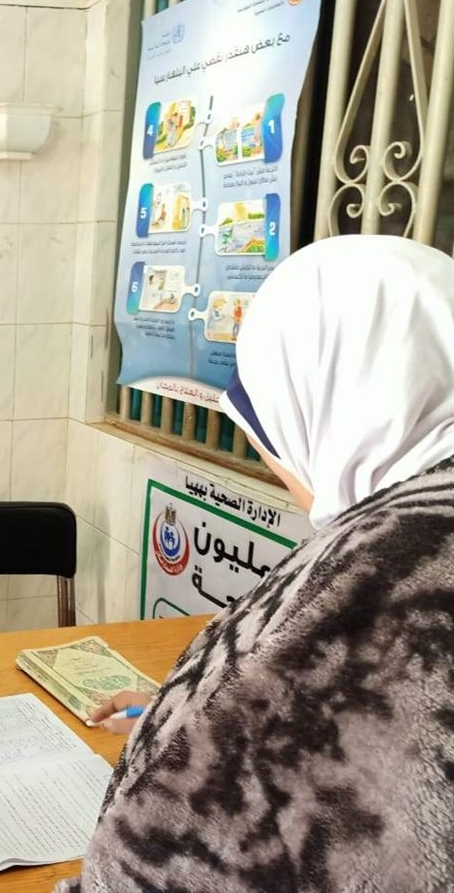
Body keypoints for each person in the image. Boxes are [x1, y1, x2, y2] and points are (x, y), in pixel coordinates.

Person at [64, 234, 454, 892]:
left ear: (320, 410)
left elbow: (148, 866)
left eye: (269, 434)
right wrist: (190, 714)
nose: (280, 468)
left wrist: (208, 730)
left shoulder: (370, 582)